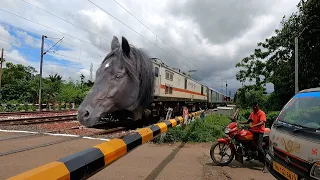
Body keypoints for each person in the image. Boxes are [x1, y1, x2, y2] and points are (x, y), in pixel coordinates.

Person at [239, 102, 267, 173]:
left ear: (258, 106)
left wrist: (253, 126)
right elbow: (248, 122)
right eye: (253, 106)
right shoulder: (252, 113)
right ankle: (249, 155)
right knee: (246, 141)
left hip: (259, 132)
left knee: (259, 147)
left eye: (256, 106)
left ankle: (265, 165)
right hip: (253, 131)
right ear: (252, 107)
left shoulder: (261, 113)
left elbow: (262, 122)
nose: (254, 108)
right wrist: (239, 122)